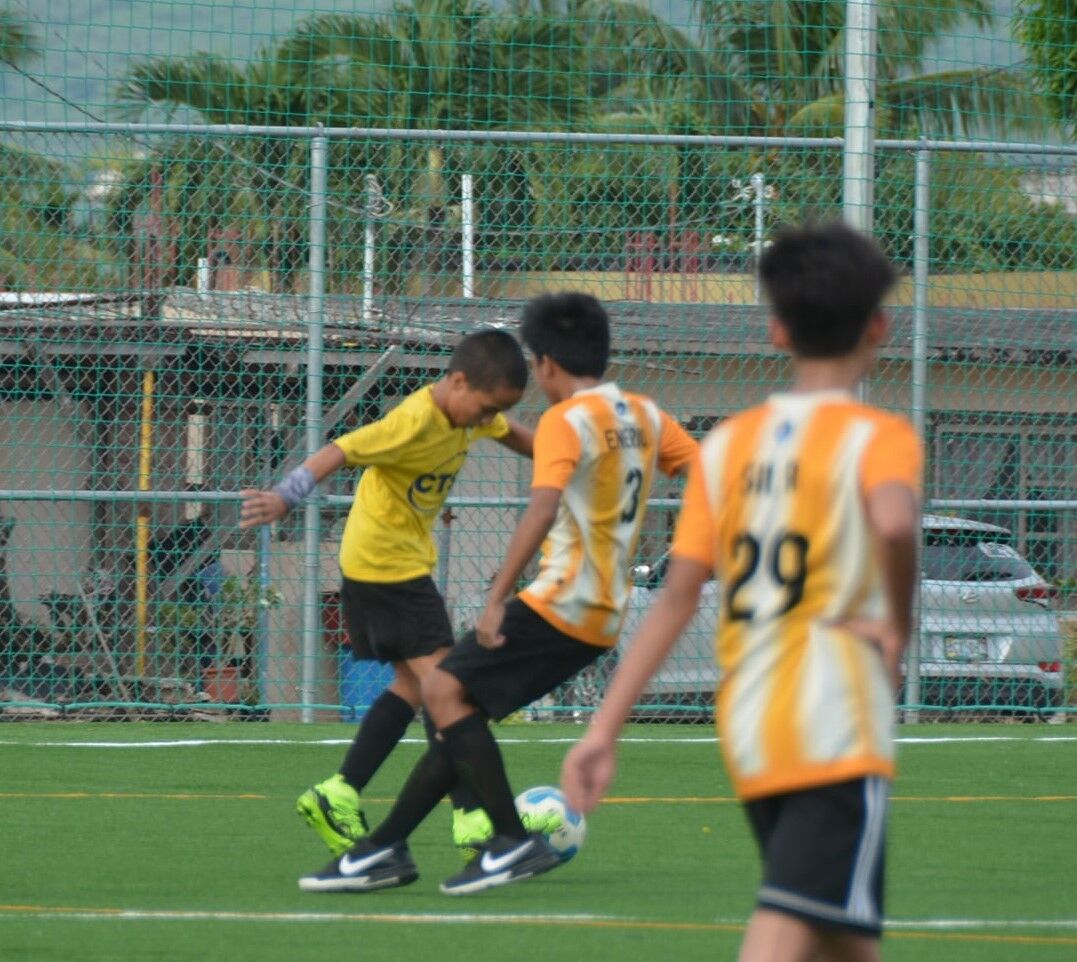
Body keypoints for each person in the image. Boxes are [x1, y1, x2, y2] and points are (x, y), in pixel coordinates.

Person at [562, 222, 922, 962]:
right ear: (880, 326)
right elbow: (891, 524)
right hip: (833, 716)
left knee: (840, 936)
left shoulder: (728, 445)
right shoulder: (878, 437)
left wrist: (604, 728)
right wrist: (895, 626)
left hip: (751, 720)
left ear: (776, 330)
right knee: (786, 927)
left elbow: (676, 596)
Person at [297, 291, 698, 895]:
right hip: (605, 614)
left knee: (443, 689)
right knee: (456, 709)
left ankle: (505, 839)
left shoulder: (566, 419)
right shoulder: (644, 414)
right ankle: (385, 850)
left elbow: (542, 506)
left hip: (559, 601)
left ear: (545, 366)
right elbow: (707, 470)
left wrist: (496, 596)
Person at [240, 328, 533, 859]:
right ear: (459, 381)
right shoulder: (413, 421)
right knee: (451, 690)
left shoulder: (474, 411)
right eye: (485, 406)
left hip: (396, 566)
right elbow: (339, 451)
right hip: (385, 569)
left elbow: (510, 432)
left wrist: (563, 459)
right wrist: (285, 497)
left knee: (414, 687)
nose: (485, 418)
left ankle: (339, 791)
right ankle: (471, 816)